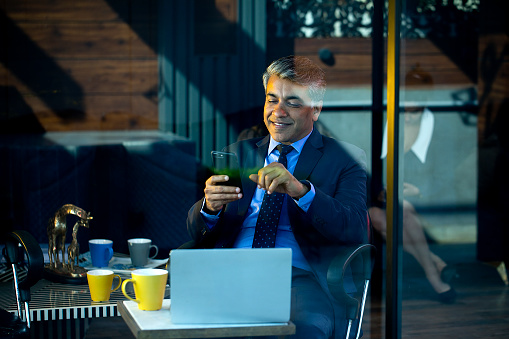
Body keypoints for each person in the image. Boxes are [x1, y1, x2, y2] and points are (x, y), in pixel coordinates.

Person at [186, 55, 368, 338]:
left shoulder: (346, 159)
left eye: (293, 102)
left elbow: (355, 227)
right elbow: (197, 231)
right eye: (272, 100)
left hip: (299, 281)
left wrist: (302, 192)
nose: (278, 112)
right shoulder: (238, 153)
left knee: (300, 331)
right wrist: (209, 208)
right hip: (230, 274)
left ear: (316, 109)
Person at [369, 65, 457, 303]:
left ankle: (433, 277)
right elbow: (366, 163)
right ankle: (434, 265)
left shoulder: (440, 128)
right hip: (379, 199)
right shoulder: (383, 120)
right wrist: (381, 190)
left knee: (404, 210)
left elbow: (448, 176)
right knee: (377, 216)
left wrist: (419, 191)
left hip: (423, 204)